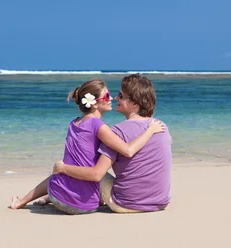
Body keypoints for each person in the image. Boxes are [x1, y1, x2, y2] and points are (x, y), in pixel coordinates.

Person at [9, 78, 165, 215]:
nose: (112, 98)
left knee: (59, 173)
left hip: (58, 196)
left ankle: (21, 201)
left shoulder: (73, 123)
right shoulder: (101, 127)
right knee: (81, 172)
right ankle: (49, 196)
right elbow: (128, 150)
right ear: (95, 103)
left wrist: (62, 168)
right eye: (106, 96)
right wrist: (150, 130)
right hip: (86, 206)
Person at [53, 74, 172, 213]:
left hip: (126, 203)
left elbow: (97, 174)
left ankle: (61, 195)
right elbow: (168, 142)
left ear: (135, 104)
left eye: (121, 96)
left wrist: (62, 168)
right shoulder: (161, 126)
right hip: (160, 201)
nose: (115, 98)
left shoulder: (117, 131)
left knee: (87, 167)